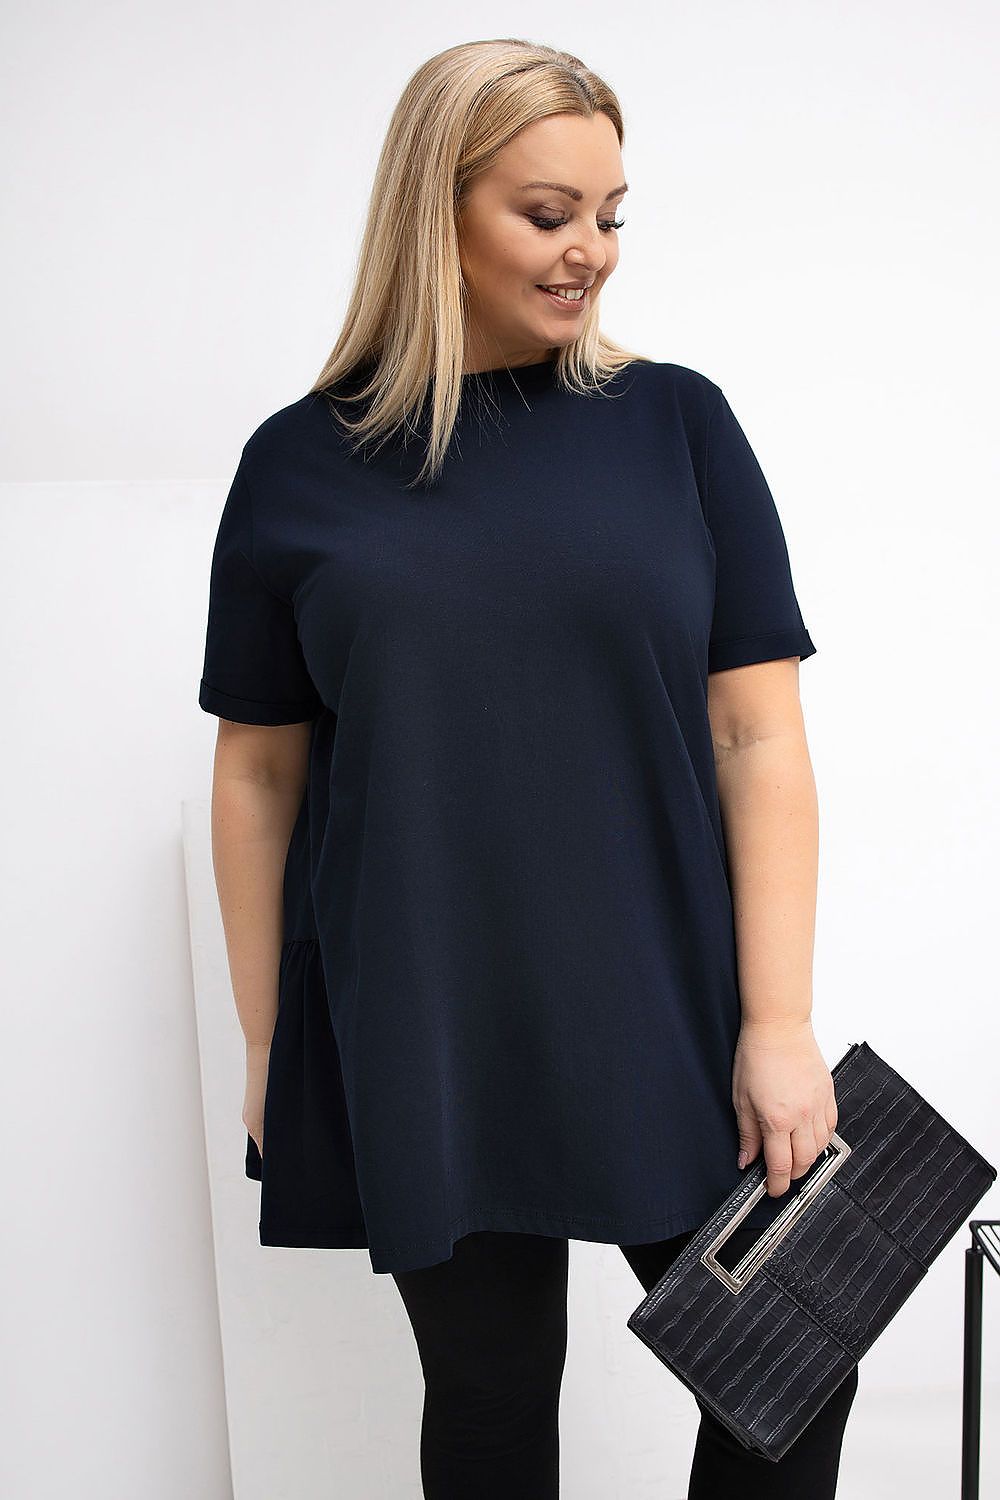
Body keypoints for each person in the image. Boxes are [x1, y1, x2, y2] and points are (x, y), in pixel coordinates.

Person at [198, 37, 857, 1500]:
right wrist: (267, 1046)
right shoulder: (301, 465)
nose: (591, 254)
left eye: (612, 215)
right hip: (426, 1005)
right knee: (492, 1393)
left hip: (664, 994)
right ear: (436, 208)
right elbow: (256, 780)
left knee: (796, 1360)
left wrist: (781, 1022)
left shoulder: (677, 426)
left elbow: (757, 738)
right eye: (548, 213)